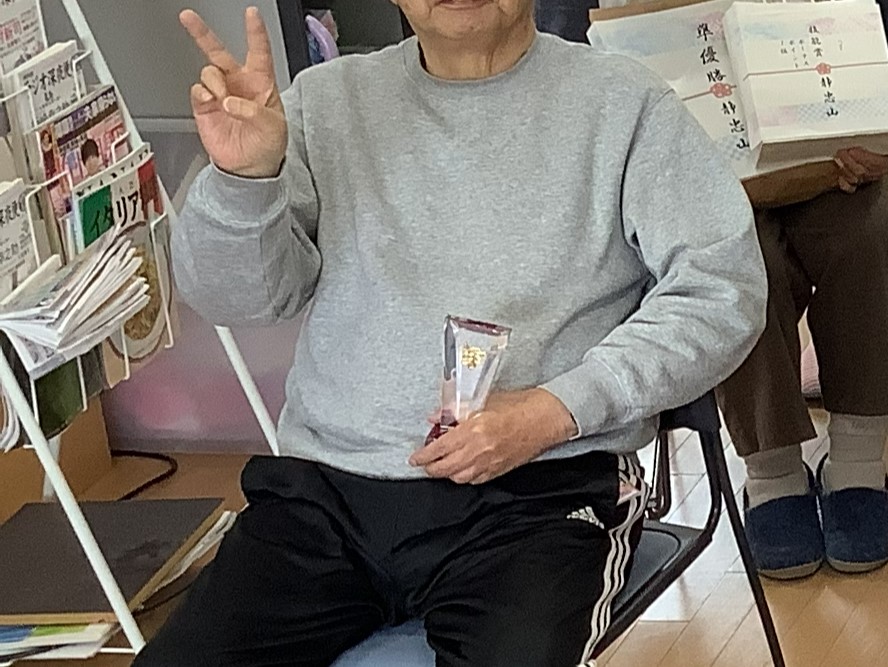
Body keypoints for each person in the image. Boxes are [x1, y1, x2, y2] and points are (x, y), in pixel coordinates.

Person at [134, 1, 766, 665]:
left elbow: (723, 291)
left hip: (540, 495)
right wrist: (244, 182)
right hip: (327, 495)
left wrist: (557, 409)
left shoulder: (625, 104)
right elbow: (239, 299)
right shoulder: (323, 104)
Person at [717, 153, 888, 580]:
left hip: (841, 167)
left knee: (874, 227)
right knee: (737, 254)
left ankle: (857, 461)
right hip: (723, 182)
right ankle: (772, 472)